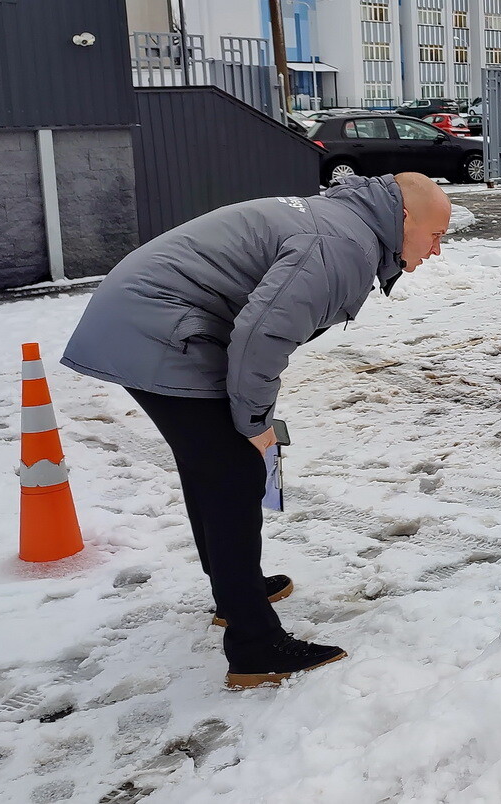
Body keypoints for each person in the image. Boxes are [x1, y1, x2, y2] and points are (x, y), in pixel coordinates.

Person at [62, 173, 452, 688]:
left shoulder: (346, 227)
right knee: (232, 471)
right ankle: (253, 645)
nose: (437, 250)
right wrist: (255, 425)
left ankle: (235, 591)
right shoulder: (343, 246)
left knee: (213, 466)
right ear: (405, 220)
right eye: (435, 235)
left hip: (154, 318)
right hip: (157, 324)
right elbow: (261, 334)